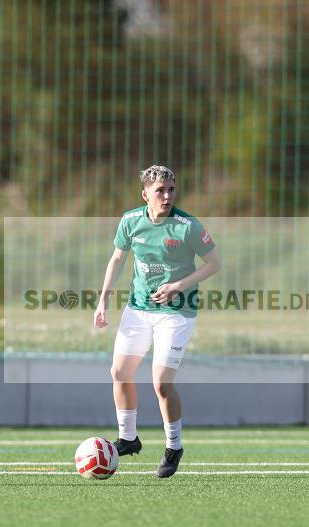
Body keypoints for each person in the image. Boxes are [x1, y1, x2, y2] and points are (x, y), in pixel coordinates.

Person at [94, 165, 221, 478]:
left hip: (177, 313)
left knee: (162, 383)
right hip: (138, 309)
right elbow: (117, 259)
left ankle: (173, 446)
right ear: (145, 195)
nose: (167, 196)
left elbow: (214, 264)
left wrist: (178, 285)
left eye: (171, 189)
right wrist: (103, 299)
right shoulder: (130, 221)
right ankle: (128, 438)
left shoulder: (188, 226)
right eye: (160, 191)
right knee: (119, 372)